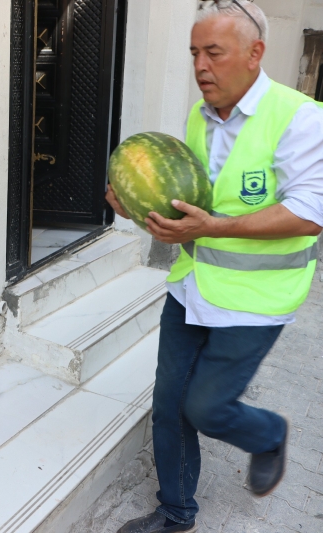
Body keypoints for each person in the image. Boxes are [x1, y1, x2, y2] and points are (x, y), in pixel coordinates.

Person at [105, 1, 323, 532]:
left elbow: (310, 213)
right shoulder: (197, 118)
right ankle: (176, 511)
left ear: (255, 54)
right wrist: (138, 210)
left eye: (214, 52)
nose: (201, 66)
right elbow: (188, 206)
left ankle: (268, 433)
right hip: (191, 286)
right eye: (194, 53)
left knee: (206, 408)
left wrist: (212, 228)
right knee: (169, 406)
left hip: (255, 301)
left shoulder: (300, 116)